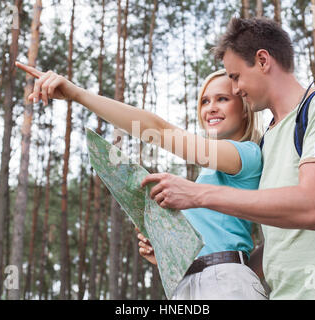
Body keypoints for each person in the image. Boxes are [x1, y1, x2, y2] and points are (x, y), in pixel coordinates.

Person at [139, 17, 315, 300]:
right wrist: (190, 259)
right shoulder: (267, 142)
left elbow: (313, 206)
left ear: (263, 60)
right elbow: (282, 240)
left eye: (235, 76)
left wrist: (198, 194)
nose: (236, 88)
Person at [16, 62, 268, 300]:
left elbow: (157, 129)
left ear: (245, 108)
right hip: (188, 283)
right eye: (204, 101)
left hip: (224, 283)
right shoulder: (209, 175)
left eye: (222, 99)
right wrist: (170, 251)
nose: (211, 107)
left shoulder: (246, 154)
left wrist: (77, 94)